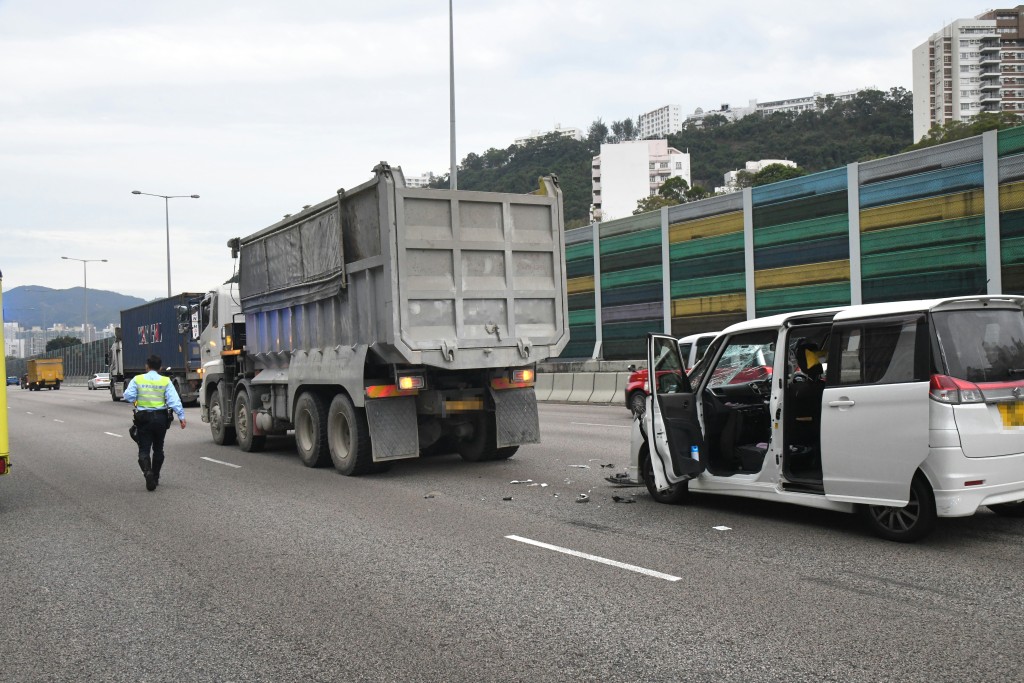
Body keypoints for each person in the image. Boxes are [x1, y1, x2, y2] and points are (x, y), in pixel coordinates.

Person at [123, 354, 186, 491]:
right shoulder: (165, 381)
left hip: (144, 419)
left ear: (147, 366)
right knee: (158, 448)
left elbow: (128, 396)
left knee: (144, 449)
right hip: (161, 419)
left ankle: (148, 473)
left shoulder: (138, 379)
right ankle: (156, 476)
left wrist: (137, 399)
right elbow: (174, 400)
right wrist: (181, 417)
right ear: (160, 367)